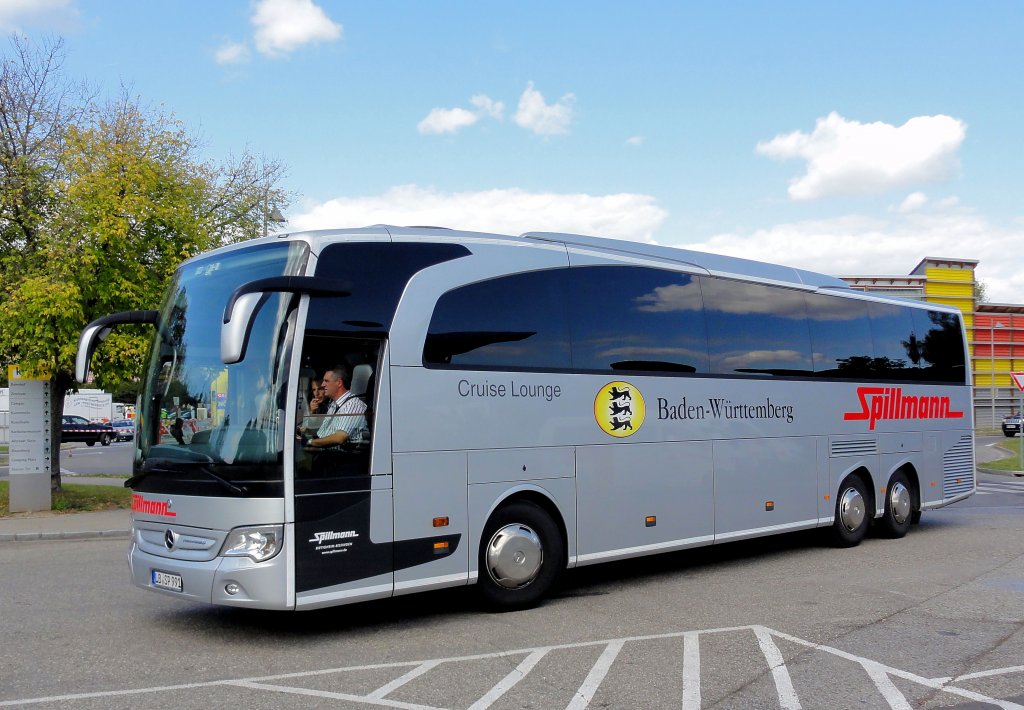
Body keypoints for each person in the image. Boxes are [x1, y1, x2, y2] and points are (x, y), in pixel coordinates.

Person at [303, 365, 367, 448]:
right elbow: (323, 433)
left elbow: (340, 438)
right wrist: (306, 431)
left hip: (341, 458)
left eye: (326, 381)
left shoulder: (352, 405)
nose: (323, 384)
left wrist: (310, 442)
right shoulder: (334, 404)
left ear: (339, 383)